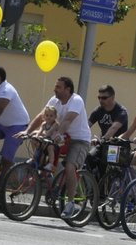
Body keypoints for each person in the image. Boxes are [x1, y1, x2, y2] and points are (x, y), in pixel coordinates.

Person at [29, 76, 93, 216]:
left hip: (79, 140)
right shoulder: (54, 100)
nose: (54, 89)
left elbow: (68, 120)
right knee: (35, 137)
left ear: (67, 90)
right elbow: (42, 116)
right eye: (55, 86)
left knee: (70, 166)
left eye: (58, 87)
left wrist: (58, 134)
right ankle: (44, 171)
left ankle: (70, 204)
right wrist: (27, 131)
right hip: (62, 137)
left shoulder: (76, 100)